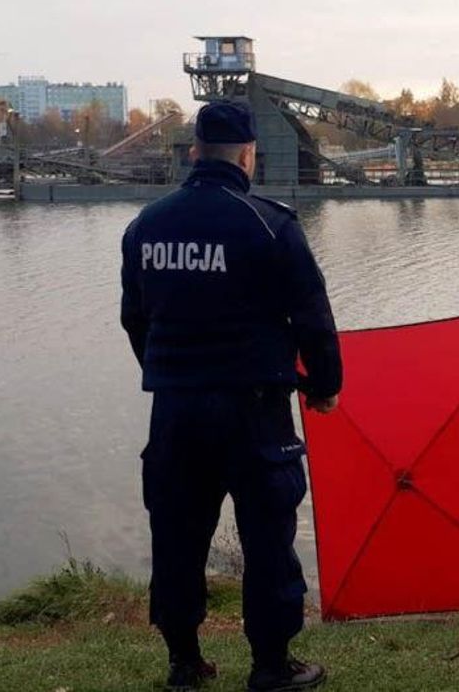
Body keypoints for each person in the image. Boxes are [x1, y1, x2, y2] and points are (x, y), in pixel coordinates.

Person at [120, 100, 342, 691]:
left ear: (194, 153)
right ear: (248, 155)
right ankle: (271, 667)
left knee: (177, 535)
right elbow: (314, 321)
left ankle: (184, 663)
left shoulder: (145, 227)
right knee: (267, 537)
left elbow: (135, 319)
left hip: (176, 412)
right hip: (254, 412)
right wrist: (323, 387)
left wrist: (171, 373)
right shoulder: (271, 224)